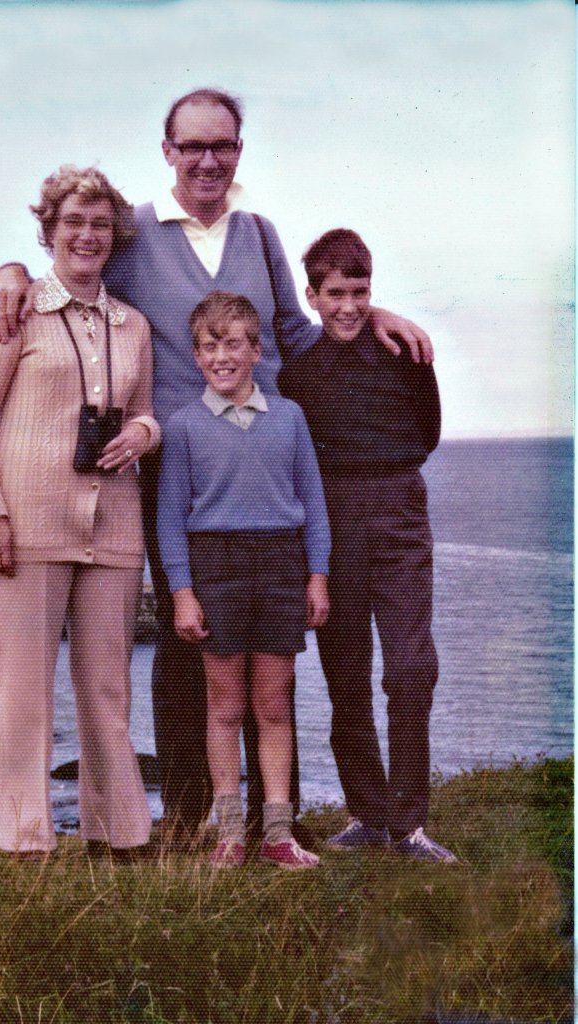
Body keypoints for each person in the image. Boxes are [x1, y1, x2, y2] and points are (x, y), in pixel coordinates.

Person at [0, 88, 434, 847]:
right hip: (171, 471)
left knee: (264, 651)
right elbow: (70, 268)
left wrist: (373, 311)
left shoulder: (258, 234)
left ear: (238, 152)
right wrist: (6, 269)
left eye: (221, 145)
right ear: (167, 153)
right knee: (187, 642)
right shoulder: (132, 234)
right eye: (191, 146)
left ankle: (265, 820)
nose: (207, 160)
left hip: (265, 474)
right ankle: (191, 815)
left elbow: (295, 327)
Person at [0, 165, 159, 859]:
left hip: (115, 527)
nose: (87, 235)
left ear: (115, 236)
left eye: (100, 224)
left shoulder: (134, 326)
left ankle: (120, 835)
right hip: (27, 526)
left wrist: (146, 434)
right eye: (73, 222)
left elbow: (143, 413)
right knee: (23, 694)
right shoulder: (12, 313)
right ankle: (27, 843)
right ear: (47, 232)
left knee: (107, 689)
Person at [278, 228, 457, 863]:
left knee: (412, 667)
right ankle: (367, 813)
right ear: (312, 296)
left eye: (360, 292)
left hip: (401, 515)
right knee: (346, 676)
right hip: (329, 525)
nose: (349, 306)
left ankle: (410, 825)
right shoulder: (296, 372)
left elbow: (427, 434)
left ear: (371, 291)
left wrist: (383, 474)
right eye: (335, 294)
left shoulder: (406, 354)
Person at [157, 292, 331, 868]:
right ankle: (230, 833)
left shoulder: (290, 417)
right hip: (216, 569)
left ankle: (277, 833)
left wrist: (317, 576)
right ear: (197, 356)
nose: (222, 357)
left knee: (274, 704)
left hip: (281, 565)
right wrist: (182, 593)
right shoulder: (182, 426)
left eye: (234, 344)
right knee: (225, 706)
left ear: (257, 350)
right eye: (210, 346)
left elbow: (314, 503)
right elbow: (170, 519)